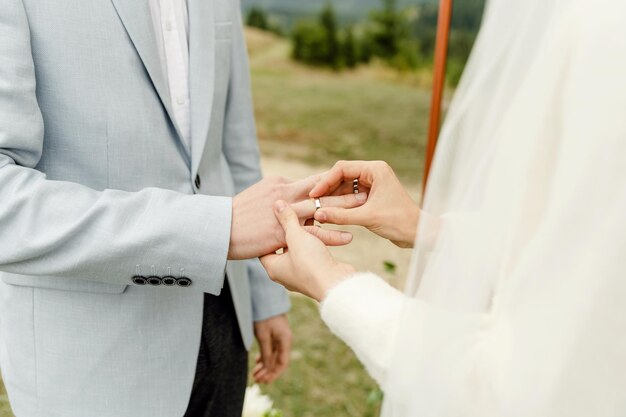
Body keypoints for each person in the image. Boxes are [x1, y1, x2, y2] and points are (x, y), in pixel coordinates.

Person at [261, 0, 626, 415]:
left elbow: (500, 393)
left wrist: (334, 283)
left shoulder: (605, 35)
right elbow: (578, 250)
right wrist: (426, 227)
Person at [0, 1, 362, 416]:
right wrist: (214, 228)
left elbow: (233, 145)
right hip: (93, 356)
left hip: (223, 325)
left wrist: (264, 299)